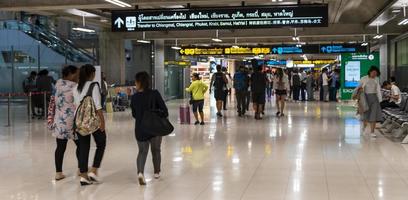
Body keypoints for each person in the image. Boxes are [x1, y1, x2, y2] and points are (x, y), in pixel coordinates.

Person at [131, 71, 168, 185]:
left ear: (138, 82)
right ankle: (156, 172)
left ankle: (140, 173)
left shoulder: (135, 97)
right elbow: (165, 111)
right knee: (156, 150)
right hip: (154, 127)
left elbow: (134, 114)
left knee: (142, 151)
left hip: (140, 128)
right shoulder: (155, 94)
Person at [73, 64, 106, 186]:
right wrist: (102, 122)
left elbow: (77, 106)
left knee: (83, 148)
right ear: (91, 74)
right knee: (101, 143)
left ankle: (83, 176)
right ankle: (94, 170)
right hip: (93, 121)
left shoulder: (76, 87)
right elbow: (98, 106)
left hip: (79, 121)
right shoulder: (94, 86)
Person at [52, 65, 79, 181]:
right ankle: (81, 169)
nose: (78, 76)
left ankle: (58, 172)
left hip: (59, 121)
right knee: (81, 145)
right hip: (73, 121)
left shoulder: (58, 85)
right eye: (77, 74)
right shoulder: (75, 87)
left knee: (60, 147)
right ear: (71, 74)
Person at [357, 66, 382, 137]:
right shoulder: (364, 78)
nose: (374, 75)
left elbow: (378, 90)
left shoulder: (377, 79)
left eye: (376, 74)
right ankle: (364, 128)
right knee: (366, 115)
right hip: (365, 98)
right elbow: (358, 88)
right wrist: (359, 93)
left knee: (373, 115)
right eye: (373, 73)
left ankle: (372, 132)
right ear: (370, 72)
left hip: (374, 98)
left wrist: (380, 100)